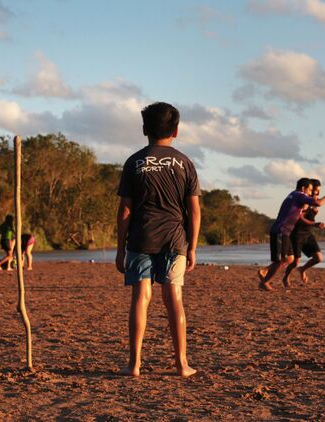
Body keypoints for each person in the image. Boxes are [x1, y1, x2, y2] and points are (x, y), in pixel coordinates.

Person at [116, 102, 200, 377]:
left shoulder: (133, 162)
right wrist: (193, 248)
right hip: (174, 240)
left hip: (140, 238)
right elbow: (194, 211)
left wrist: (120, 249)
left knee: (141, 298)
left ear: (144, 129)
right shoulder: (185, 163)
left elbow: (125, 210)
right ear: (175, 130)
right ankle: (181, 364)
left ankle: (134, 364)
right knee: (174, 298)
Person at [257, 178, 325, 291]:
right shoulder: (299, 195)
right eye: (310, 190)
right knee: (280, 260)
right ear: (303, 188)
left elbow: (303, 209)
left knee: (290, 259)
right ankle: (265, 282)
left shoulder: (294, 195)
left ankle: (265, 274)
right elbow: (318, 203)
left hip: (285, 232)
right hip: (280, 230)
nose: (311, 193)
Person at [282, 179, 325, 286]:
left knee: (318, 258)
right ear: (310, 190)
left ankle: (302, 269)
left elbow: (310, 217)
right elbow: (299, 217)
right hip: (297, 234)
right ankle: (285, 277)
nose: (317, 193)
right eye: (315, 191)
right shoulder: (305, 201)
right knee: (295, 262)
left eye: (319, 192)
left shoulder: (312, 203)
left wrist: (315, 215)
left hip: (308, 234)